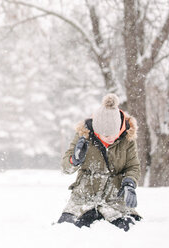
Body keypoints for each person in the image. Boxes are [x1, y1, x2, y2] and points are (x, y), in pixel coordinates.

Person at [57, 93, 141, 231]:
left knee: (127, 229)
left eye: (114, 134)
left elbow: (133, 166)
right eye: (106, 135)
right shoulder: (83, 135)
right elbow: (65, 168)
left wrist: (129, 183)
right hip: (83, 197)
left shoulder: (128, 139)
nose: (111, 138)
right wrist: (75, 159)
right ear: (96, 131)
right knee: (66, 229)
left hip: (114, 198)